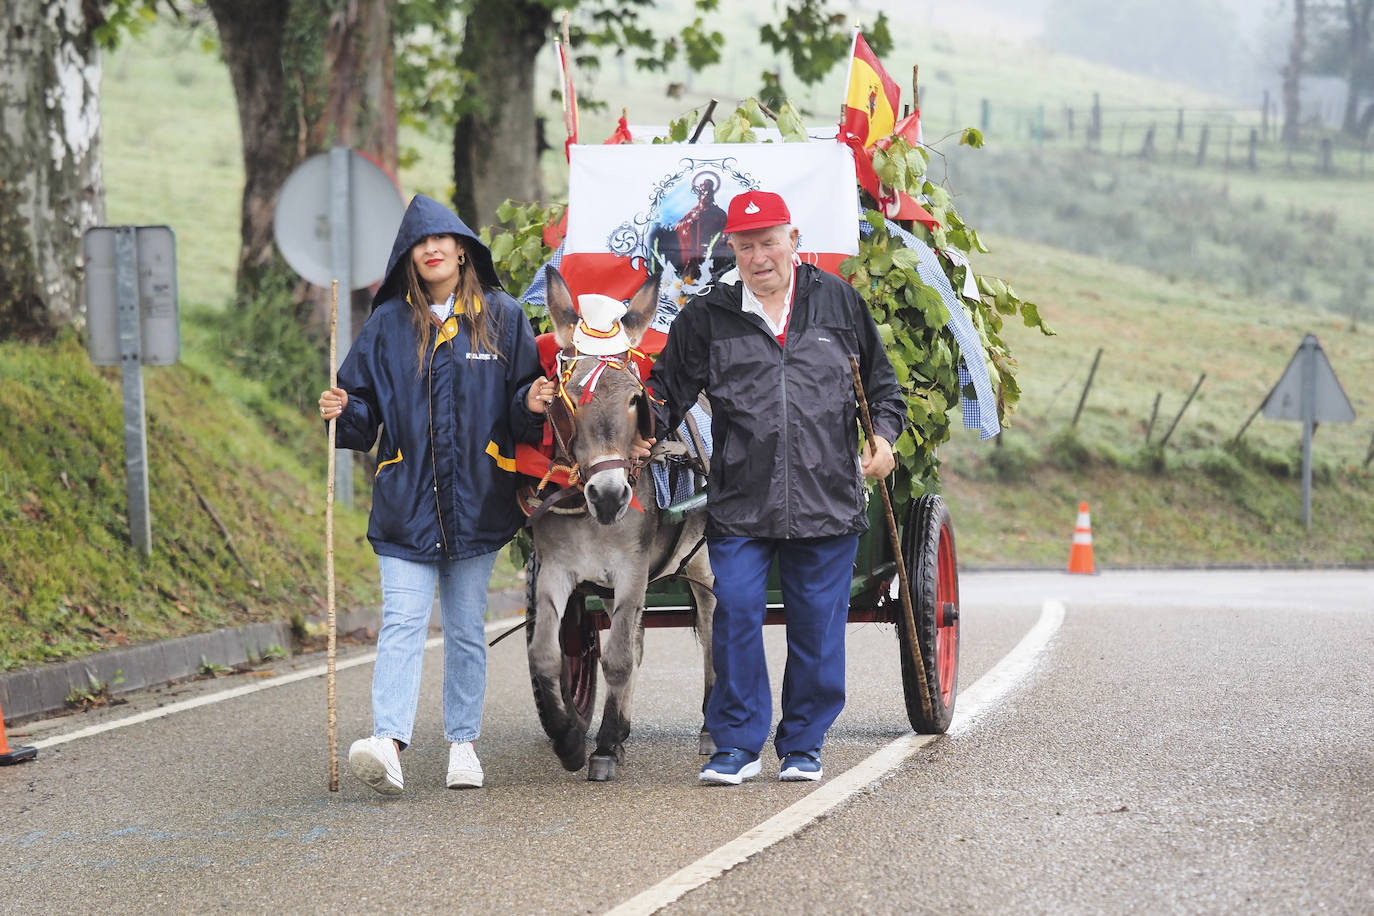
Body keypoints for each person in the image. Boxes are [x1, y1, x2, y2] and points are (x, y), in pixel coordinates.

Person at [644, 189, 906, 785]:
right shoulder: (707, 317)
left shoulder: (838, 303)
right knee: (734, 610)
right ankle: (736, 747)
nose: (759, 256)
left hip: (827, 497)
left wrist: (883, 440)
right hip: (741, 499)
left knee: (816, 622)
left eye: (769, 242)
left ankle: (804, 744)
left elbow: (884, 390)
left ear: (793, 239)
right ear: (730, 249)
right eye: (745, 245)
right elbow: (665, 394)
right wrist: (635, 427)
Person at [317, 193, 559, 795]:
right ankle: (389, 744)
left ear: (461, 249)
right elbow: (361, 408)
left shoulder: (502, 317)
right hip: (405, 500)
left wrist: (529, 403)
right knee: (401, 621)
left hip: (479, 498)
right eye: (419, 243)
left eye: (441, 240)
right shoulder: (387, 325)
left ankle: (463, 746)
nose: (431, 250)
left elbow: (523, 398)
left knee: (464, 627)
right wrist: (342, 410)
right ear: (409, 256)